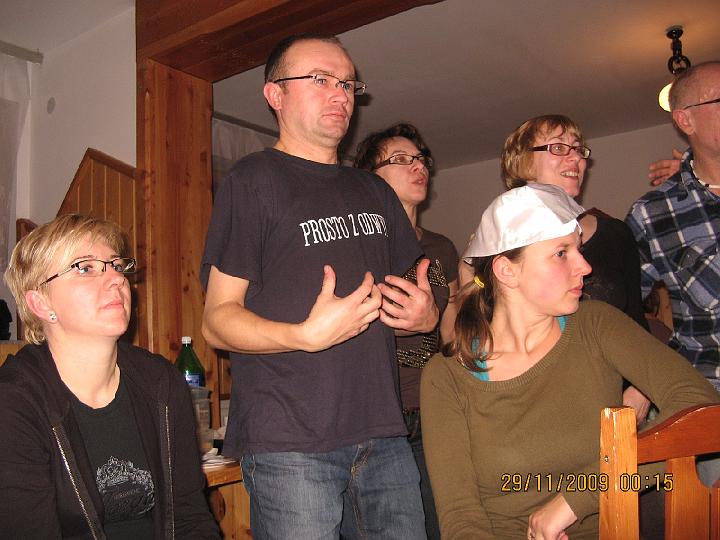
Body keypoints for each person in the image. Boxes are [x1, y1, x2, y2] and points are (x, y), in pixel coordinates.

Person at [201, 34, 437, 539]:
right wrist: (303, 336)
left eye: (348, 84)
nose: (340, 94)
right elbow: (217, 321)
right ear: (275, 94)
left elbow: (404, 311)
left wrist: (425, 316)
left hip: (384, 434)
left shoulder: (375, 190)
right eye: (321, 80)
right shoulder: (253, 179)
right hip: (290, 442)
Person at [421, 183, 719, 540]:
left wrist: (574, 500)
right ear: (506, 271)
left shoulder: (596, 325)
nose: (585, 267)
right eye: (561, 253)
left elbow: (701, 409)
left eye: (578, 249)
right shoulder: (446, 377)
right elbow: (461, 519)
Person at [0, 214, 219, 538]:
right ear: (41, 303)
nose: (116, 278)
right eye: (85, 268)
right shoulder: (14, 403)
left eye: (117, 265)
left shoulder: (160, 383)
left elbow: (189, 518)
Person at [461, 114, 652, 422]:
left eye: (578, 148)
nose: (575, 157)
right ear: (522, 162)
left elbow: (636, 319)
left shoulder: (615, 233)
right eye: (559, 148)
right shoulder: (498, 241)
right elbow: (474, 333)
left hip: (616, 402)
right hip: (536, 406)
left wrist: (641, 389)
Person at [355, 122, 459, 540]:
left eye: (420, 158)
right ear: (371, 178)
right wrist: (416, 320)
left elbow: (451, 333)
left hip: (436, 411)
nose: (418, 166)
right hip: (379, 418)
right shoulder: (356, 246)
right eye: (400, 159)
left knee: (441, 526)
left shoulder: (441, 248)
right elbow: (347, 326)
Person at [626, 61, 720, 385]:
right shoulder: (653, 214)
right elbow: (619, 312)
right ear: (685, 120)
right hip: (709, 397)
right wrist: (643, 382)